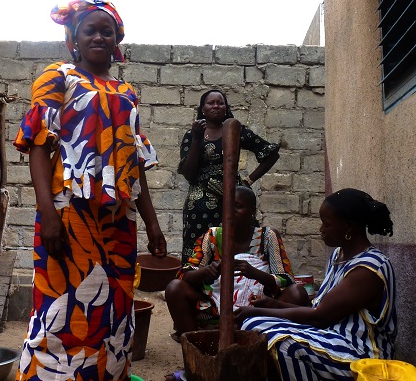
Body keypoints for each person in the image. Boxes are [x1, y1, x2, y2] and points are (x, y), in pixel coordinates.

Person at [13, 0, 167, 381]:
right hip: (68, 213)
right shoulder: (58, 77)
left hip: (119, 219)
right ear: (74, 39)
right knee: (61, 306)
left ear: (117, 40)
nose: (100, 37)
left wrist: (152, 223)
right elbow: (38, 146)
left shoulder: (127, 92)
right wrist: (48, 214)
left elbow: (136, 162)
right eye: (90, 31)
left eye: (108, 31)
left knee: (115, 307)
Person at [235, 188, 397, 381]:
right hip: (332, 338)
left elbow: (320, 317)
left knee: (283, 345)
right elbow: (320, 310)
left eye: (326, 224)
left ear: (348, 227)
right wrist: (272, 305)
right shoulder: (339, 255)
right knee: (254, 325)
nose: (321, 229)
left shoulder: (369, 268)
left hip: (360, 353)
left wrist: (263, 310)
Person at [165, 186, 308, 340]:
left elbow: (286, 279)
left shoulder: (267, 237)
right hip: (215, 309)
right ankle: (196, 346)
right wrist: (207, 271)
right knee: (174, 288)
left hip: (259, 307)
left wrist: (254, 273)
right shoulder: (212, 236)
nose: (231, 211)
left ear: (252, 211)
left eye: (238, 206)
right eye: (227, 206)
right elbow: (185, 275)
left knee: (297, 292)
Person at [178, 90, 279, 263]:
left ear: (226, 108)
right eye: (211, 103)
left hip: (233, 200)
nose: (216, 106)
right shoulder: (191, 134)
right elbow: (189, 174)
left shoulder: (236, 131)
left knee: (236, 243)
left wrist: (248, 181)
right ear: (203, 108)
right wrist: (196, 138)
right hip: (199, 206)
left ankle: (240, 285)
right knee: (198, 250)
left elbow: (271, 154)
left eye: (220, 102)